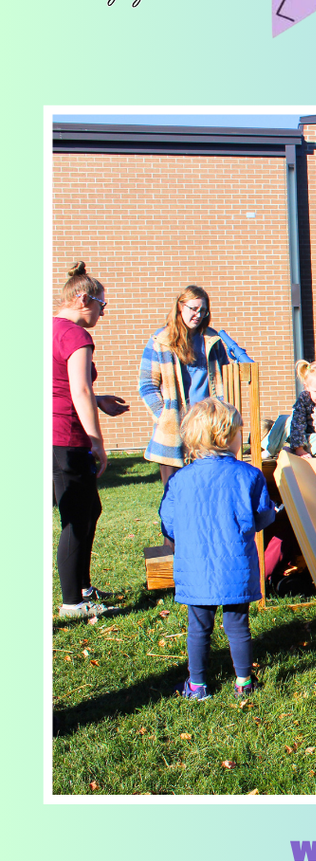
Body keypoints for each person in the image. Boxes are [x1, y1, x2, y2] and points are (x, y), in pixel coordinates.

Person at [159, 398, 276, 699]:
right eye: (239, 433)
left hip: (196, 568)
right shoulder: (249, 475)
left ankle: (197, 685)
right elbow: (263, 516)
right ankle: (244, 682)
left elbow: (168, 521)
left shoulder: (181, 479)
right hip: (235, 566)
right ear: (226, 437)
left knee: (199, 628)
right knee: (237, 625)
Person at [53, 262, 129, 619]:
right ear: (83, 299)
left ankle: (82, 587)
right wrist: (97, 442)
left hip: (52, 437)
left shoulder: (47, 330)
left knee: (88, 510)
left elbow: (62, 388)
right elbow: (80, 390)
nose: (103, 310)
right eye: (102, 303)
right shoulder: (76, 336)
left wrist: (100, 402)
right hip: (66, 438)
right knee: (77, 517)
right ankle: (73, 602)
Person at [138, 285, 229, 486]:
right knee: (174, 495)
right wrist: (163, 416)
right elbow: (147, 385)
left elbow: (226, 380)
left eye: (202, 310)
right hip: (175, 429)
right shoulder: (161, 340)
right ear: (180, 307)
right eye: (193, 308)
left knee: (206, 490)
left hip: (207, 428)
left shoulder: (213, 340)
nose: (198, 315)